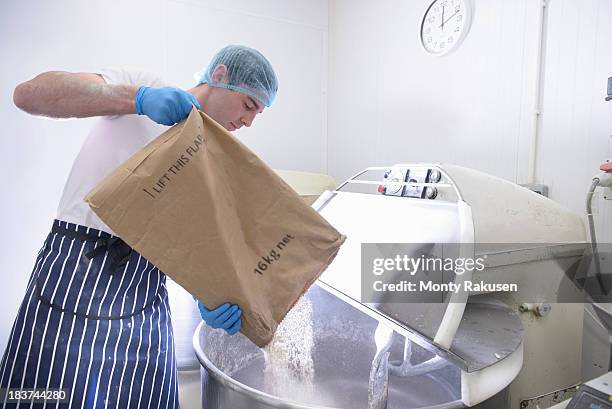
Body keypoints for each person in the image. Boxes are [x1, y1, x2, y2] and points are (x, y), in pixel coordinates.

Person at [0, 45, 278, 408]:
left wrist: (207, 296)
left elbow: (189, 244)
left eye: (259, 112)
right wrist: (138, 99)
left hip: (145, 299)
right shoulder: (142, 86)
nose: (249, 122)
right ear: (221, 76)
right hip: (76, 277)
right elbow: (30, 95)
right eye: (248, 104)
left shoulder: (212, 159)